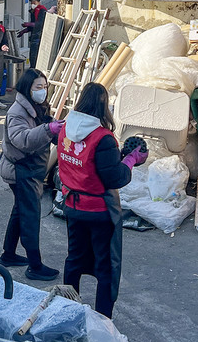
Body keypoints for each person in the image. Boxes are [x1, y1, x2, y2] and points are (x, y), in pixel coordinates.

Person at [57, 82, 148, 318]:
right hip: (98, 212)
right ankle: (103, 320)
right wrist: (130, 160)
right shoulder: (102, 138)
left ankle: (68, 310)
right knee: (106, 267)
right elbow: (115, 178)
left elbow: (86, 164)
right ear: (103, 105)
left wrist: (118, 157)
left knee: (74, 259)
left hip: (72, 206)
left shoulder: (65, 129)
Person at [0, 68, 62, 280]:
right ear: (27, 88)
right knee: (30, 217)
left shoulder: (37, 107)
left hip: (31, 170)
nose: (43, 91)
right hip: (21, 171)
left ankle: (8, 255)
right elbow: (22, 139)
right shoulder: (17, 112)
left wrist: (57, 130)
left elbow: (44, 130)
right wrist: (48, 130)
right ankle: (35, 266)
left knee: (20, 211)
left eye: (45, 87)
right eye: (38, 87)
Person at [17, 0, 47, 67]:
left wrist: (28, 24)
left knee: (35, 56)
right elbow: (32, 27)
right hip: (34, 36)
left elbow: (40, 24)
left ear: (39, 2)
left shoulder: (42, 10)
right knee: (32, 56)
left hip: (39, 36)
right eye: (31, 3)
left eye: (34, 3)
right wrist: (24, 31)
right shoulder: (33, 11)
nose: (32, 4)